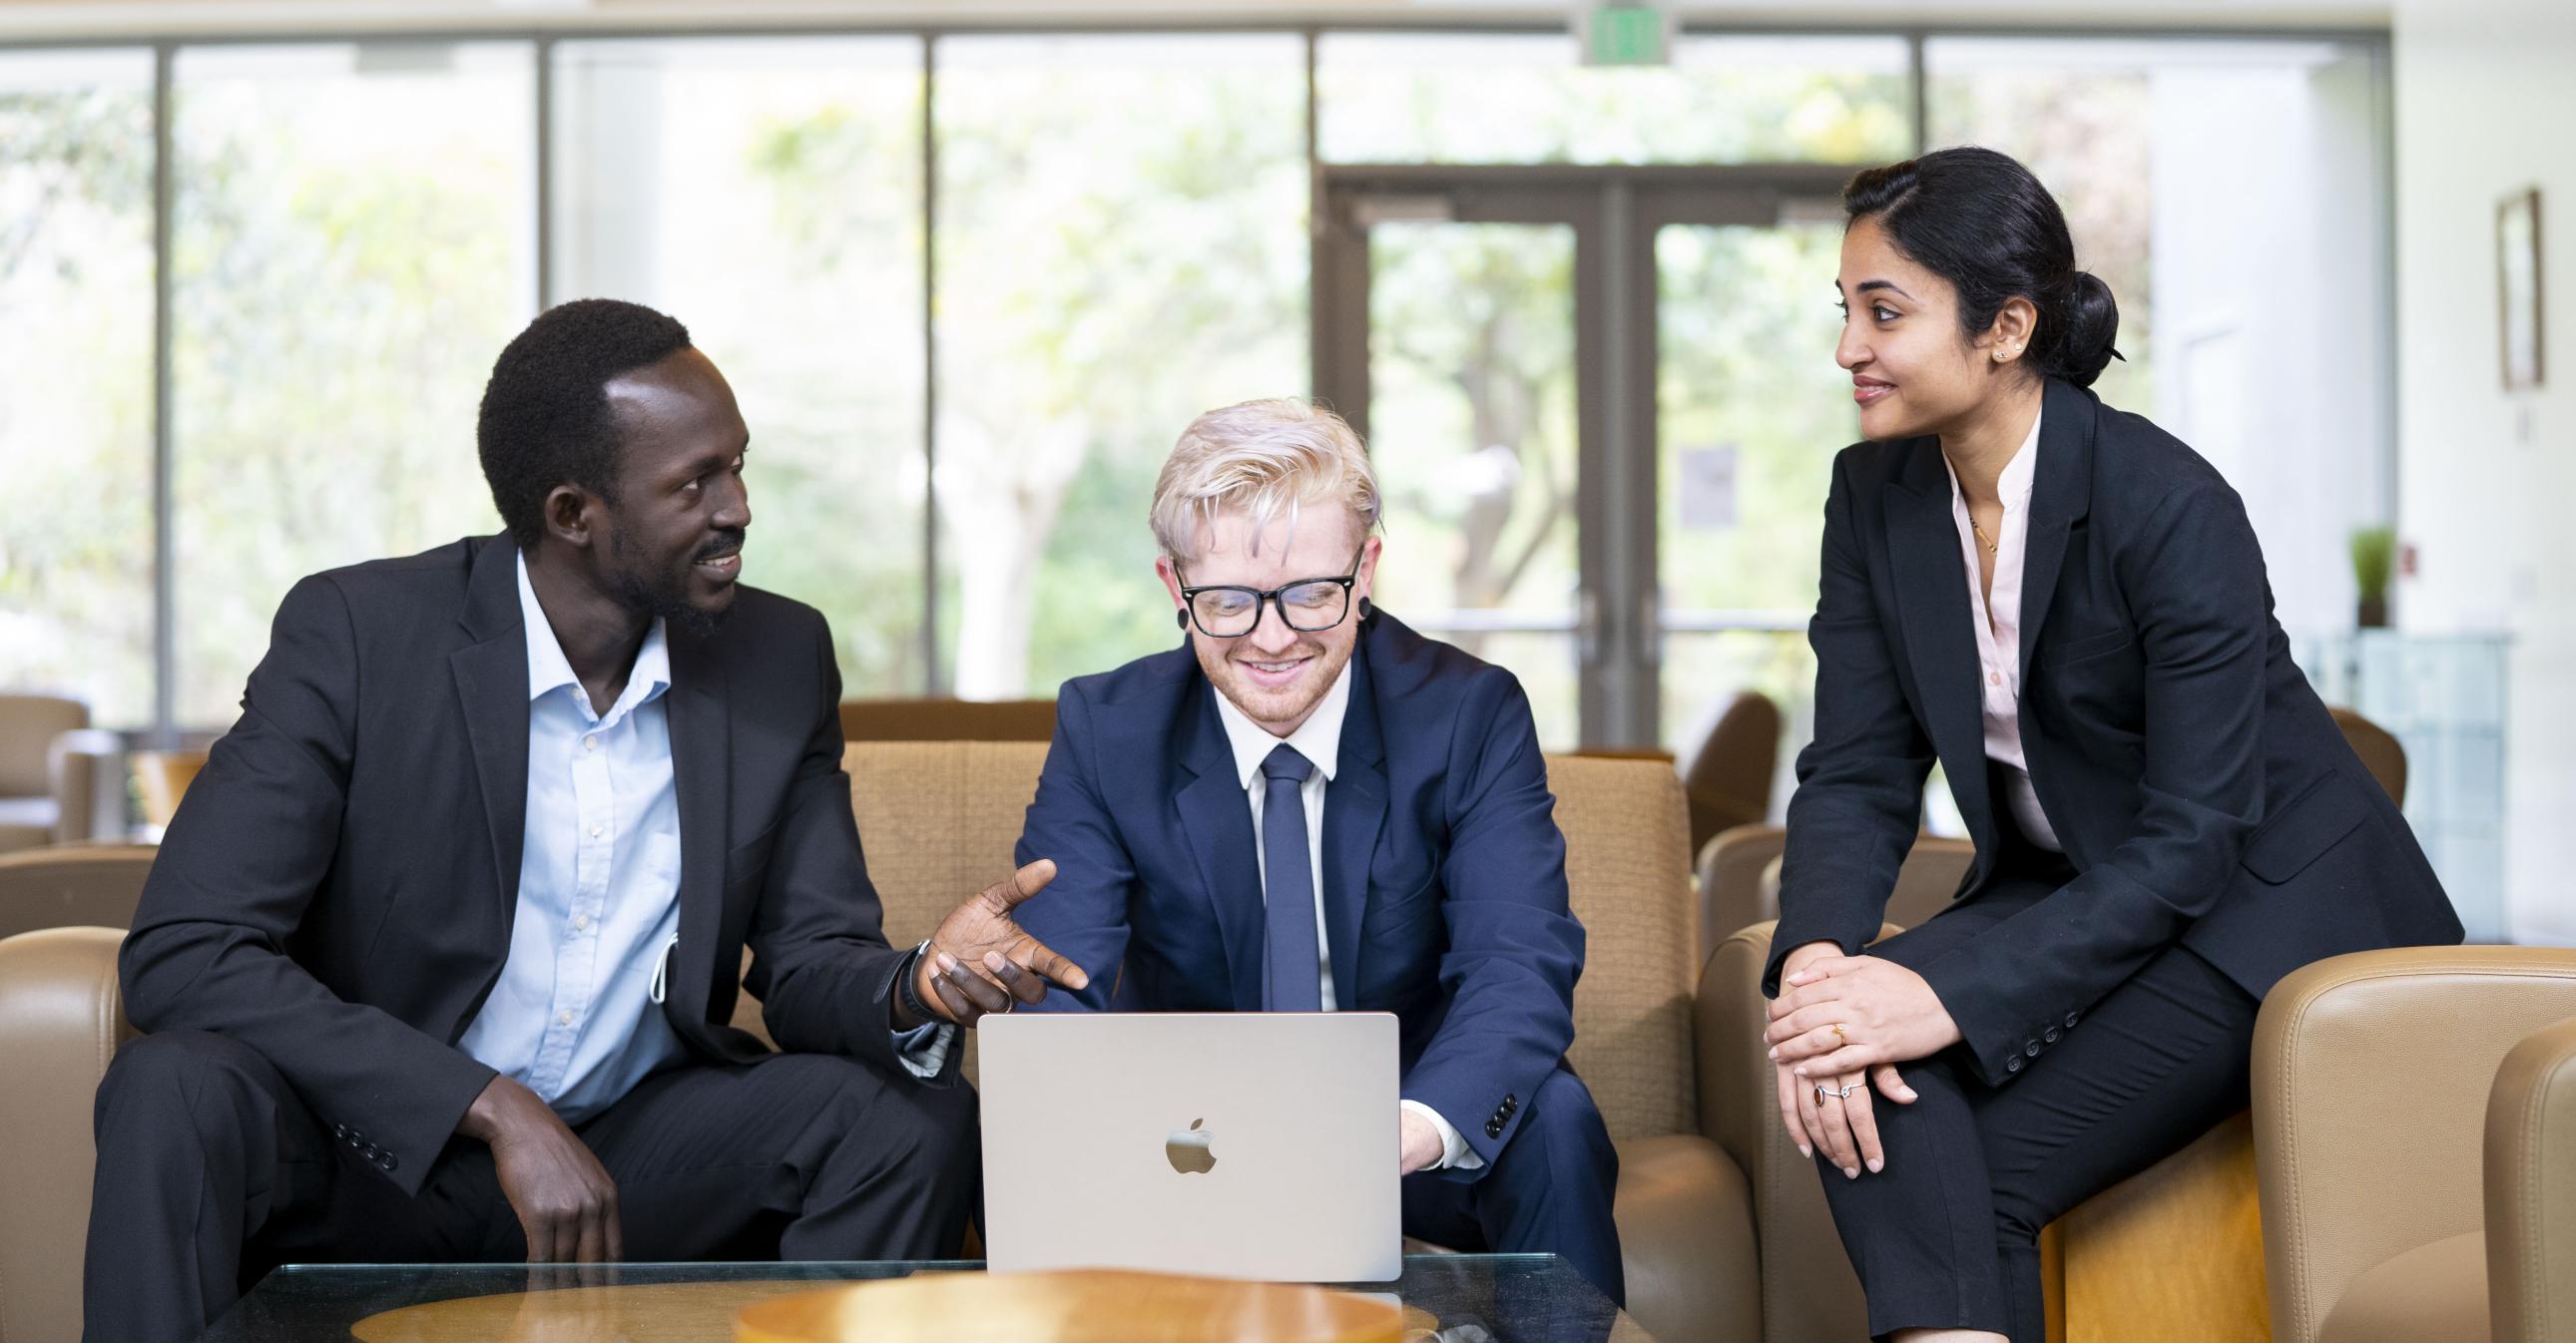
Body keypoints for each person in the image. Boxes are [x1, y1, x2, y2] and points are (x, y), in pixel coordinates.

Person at [86, 299, 1085, 1343]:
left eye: (738, 466)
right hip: (370, 1147)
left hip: (628, 1155)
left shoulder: (778, 657)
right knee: (174, 1087)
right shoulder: (359, 635)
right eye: (695, 482)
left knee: (904, 1121)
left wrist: (915, 977)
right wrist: (486, 1103)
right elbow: (186, 950)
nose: (738, 506)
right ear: (573, 512)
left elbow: (805, 958)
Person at [1758, 147, 2463, 1343]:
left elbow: (2193, 840)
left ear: (2005, 327)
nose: (1848, 350)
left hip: (2265, 909)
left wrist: (1940, 988)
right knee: (1876, 1086)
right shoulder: (1871, 494)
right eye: (1846, 311)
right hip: (2082, 881)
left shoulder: (2167, 503)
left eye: (1884, 312)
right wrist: (1819, 965)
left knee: (1923, 1120)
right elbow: (1857, 766)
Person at [1008, 398, 1625, 1304]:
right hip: (1190, 1137)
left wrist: (1409, 1131)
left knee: (1557, 1124)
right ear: (1174, 587)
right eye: (1225, 601)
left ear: (1366, 566)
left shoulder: (1467, 714)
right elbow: (1061, 988)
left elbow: (1517, 959)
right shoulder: (1108, 729)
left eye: (1310, 592)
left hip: (1408, 1121)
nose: (1271, 637)